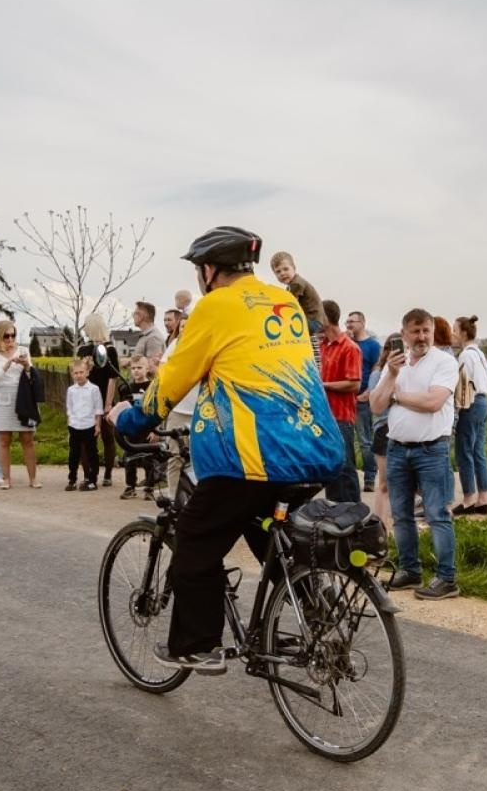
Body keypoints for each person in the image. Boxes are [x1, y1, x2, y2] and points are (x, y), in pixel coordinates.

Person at [111, 226, 346, 672]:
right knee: (267, 534)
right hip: (314, 448)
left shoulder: (215, 306)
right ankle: (314, 610)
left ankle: (196, 645)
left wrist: (129, 418)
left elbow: (172, 381)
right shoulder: (284, 302)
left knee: (195, 540)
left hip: (253, 457)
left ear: (208, 270)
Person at [371, 308, 460, 600]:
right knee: (401, 514)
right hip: (397, 448)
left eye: (426, 331)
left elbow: (433, 401)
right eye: (415, 331)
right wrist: (391, 376)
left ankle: (447, 578)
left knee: (437, 514)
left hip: (431, 449)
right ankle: (410, 570)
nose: (421, 337)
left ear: (432, 332)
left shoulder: (444, 362)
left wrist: (397, 396)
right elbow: (376, 406)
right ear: (404, 334)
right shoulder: (395, 365)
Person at [0, 320, 40, 489]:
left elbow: (32, 376)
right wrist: (6, 366)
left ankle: (33, 478)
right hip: (2, 400)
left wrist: (26, 366)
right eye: (6, 336)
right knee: (3, 440)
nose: (10, 339)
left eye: (13, 335)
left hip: (23, 398)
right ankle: (6, 479)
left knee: (27, 439)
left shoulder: (23, 351)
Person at [319, 300, 363, 504]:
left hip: (341, 417)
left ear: (326, 318)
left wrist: (323, 385)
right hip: (325, 416)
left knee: (344, 467)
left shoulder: (350, 348)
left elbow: (354, 384)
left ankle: (352, 510)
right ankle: (334, 509)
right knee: (331, 466)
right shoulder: (323, 346)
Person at [156, 305, 200, 497]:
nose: (185, 330)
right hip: (179, 410)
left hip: (199, 411)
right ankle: (174, 496)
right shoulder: (174, 346)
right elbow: (163, 372)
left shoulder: (202, 345)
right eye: (182, 326)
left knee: (198, 457)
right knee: (175, 456)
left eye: (188, 326)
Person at [452, 315, 487, 515]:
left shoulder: (465, 356)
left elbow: (463, 387)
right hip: (483, 402)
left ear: (463, 333)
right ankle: (483, 499)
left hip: (471, 404)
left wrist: (456, 413)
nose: (453, 334)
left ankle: (468, 499)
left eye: (455, 330)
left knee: (464, 452)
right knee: (478, 451)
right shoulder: (479, 353)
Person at [77, 313, 122, 487]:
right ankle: (90, 474)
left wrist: (108, 404)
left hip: (102, 397)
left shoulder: (108, 350)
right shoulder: (84, 349)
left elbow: (112, 378)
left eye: (86, 325)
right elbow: (78, 374)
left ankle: (106, 474)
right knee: (87, 438)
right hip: (88, 399)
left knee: (106, 436)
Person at [116, 356, 162, 500]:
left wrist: (156, 431)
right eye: (133, 368)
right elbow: (124, 409)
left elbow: (158, 410)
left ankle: (149, 488)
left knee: (149, 460)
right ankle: (130, 486)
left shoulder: (152, 387)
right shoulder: (127, 388)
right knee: (129, 458)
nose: (136, 371)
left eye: (139, 368)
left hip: (148, 430)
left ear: (147, 368)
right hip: (132, 430)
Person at [346, 311, 381, 492]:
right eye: (347, 321)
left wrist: (369, 391)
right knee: (347, 440)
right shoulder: (347, 343)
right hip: (346, 398)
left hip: (362, 399)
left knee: (365, 441)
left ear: (363, 323)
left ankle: (369, 478)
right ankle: (349, 477)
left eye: (352, 321)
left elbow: (376, 368)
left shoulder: (373, 346)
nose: (349, 324)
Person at [366, 335, 397, 527]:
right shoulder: (378, 374)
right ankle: (380, 527)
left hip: (397, 429)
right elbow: (376, 402)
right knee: (384, 483)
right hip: (384, 428)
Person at [64, 358, 103, 491]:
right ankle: (72, 479)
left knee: (92, 454)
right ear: (72, 374)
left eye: (81, 372)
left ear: (87, 372)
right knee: (73, 454)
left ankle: (92, 480)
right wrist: (69, 425)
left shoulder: (94, 389)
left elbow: (98, 408)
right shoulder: (71, 390)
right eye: (76, 373)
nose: (79, 375)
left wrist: (98, 425)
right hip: (75, 425)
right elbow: (69, 408)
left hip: (89, 425)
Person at [269, 250, 325, 333]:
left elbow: (290, 306)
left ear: (294, 268)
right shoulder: (292, 285)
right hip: (314, 320)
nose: (282, 273)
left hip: (312, 321)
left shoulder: (296, 283)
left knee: (280, 327)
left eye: (285, 269)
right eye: (278, 272)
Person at [131, 301, 166, 368]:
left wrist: (129, 362)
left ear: (141, 316)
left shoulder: (153, 337)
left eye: (134, 314)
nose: (133, 317)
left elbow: (152, 366)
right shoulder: (147, 336)